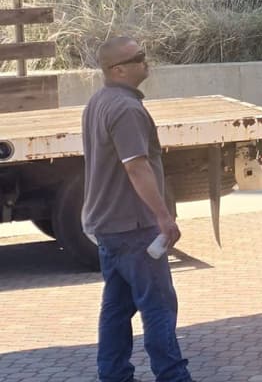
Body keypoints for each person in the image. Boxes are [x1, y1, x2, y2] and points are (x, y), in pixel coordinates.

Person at [81, 36, 192, 382]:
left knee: (116, 308)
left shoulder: (98, 102)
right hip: (134, 226)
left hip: (108, 228)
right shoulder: (127, 109)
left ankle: (113, 375)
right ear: (117, 69)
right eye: (138, 58)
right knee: (158, 306)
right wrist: (162, 216)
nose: (147, 62)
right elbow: (136, 166)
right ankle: (173, 377)